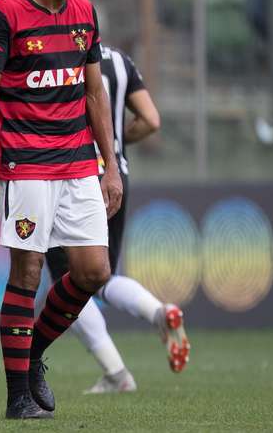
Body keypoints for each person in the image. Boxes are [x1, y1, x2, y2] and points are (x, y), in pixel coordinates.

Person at [0, 0, 123, 420]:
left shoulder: (84, 13)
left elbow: (94, 92)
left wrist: (111, 165)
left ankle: (31, 353)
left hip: (79, 161)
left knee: (94, 271)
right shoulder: (6, 13)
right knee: (28, 272)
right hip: (27, 163)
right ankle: (18, 397)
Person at [45, 38, 190, 394]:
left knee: (68, 286)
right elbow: (151, 119)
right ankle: (159, 312)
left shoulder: (58, 52)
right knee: (102, 276)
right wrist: (115, 143)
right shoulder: (119, 59)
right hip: (115, 176)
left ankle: (116, 372)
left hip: (73, 176)